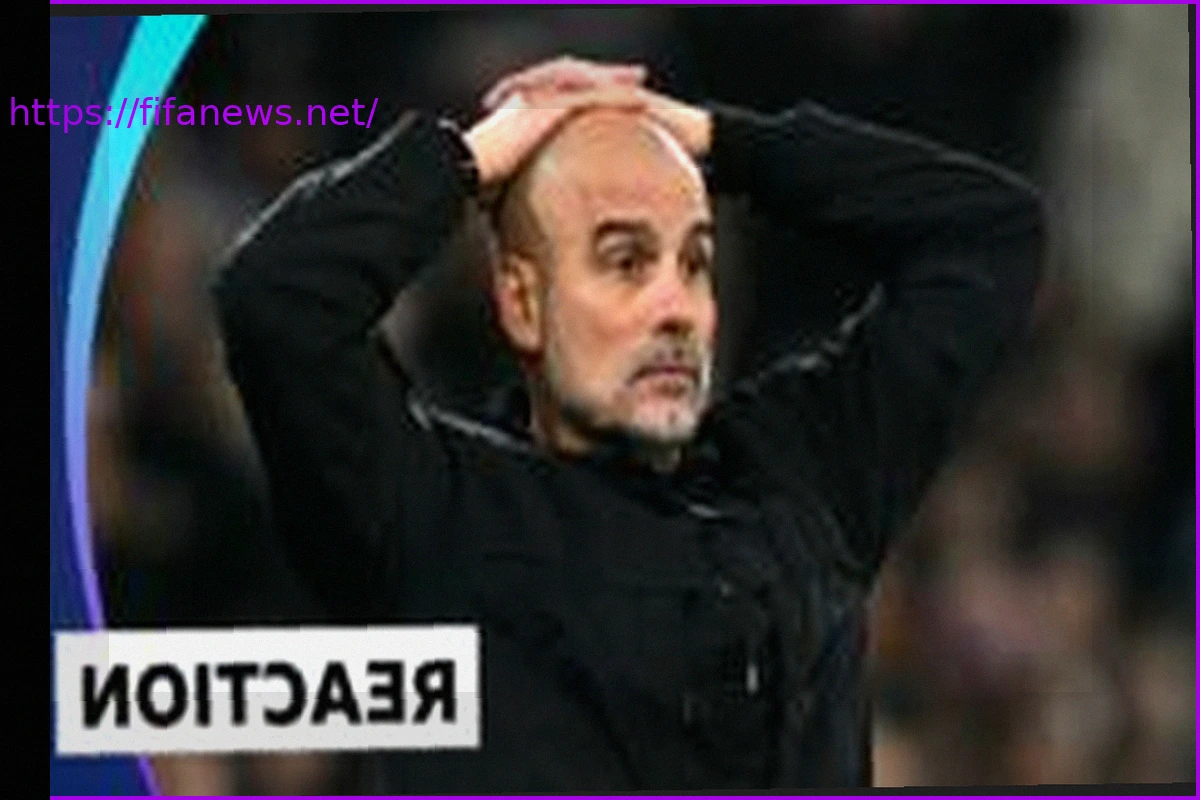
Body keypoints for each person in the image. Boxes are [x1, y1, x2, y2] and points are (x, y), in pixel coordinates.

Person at [213, 57, 1045, 790]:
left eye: (696, 262)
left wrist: (722, 142)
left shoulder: (806, 467)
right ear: (521, 302)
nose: (677, 308)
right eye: (625, 262)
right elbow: (277, 299)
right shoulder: (434, 516)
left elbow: (988, 233)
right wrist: (471, 157)